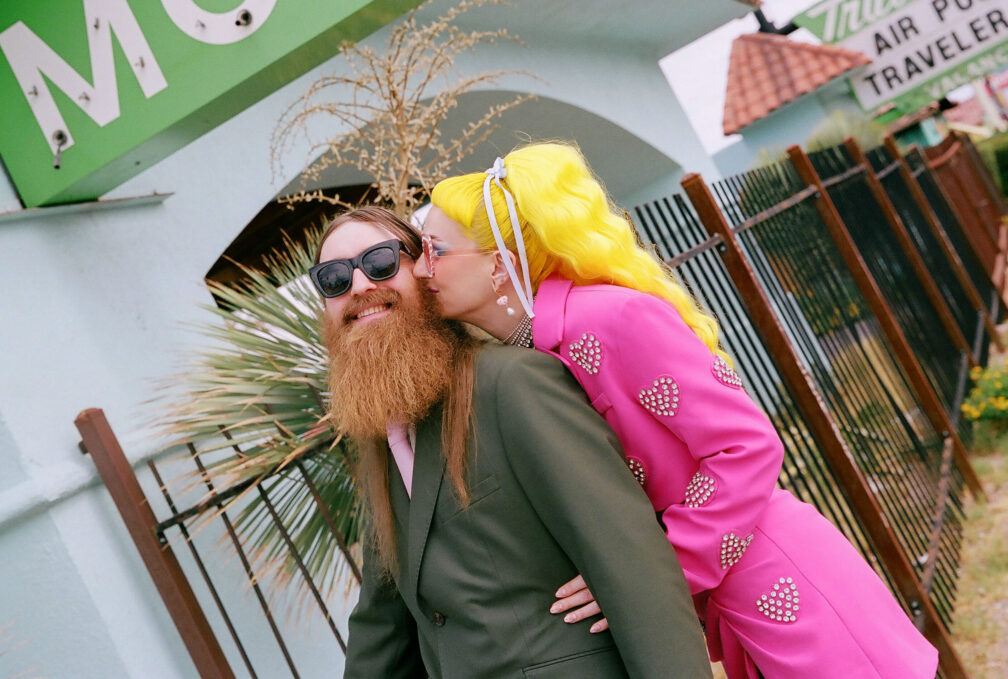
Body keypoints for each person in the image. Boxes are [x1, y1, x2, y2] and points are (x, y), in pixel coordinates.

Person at [412, 143, 940, 679]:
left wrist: (649, 572)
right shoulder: (520, 361)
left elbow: (745, 445)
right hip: (726, 599)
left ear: (500, 264)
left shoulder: (613, 318)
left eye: (435, 249)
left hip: (775, 578)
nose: (418, 268)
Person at [311, 206, 711, 679]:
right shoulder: (381, 437)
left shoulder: (514, 384)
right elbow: (383, 624)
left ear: (423, 270)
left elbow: (634, 566)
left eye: (379, 263)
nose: (358, 287)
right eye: (334, 278)